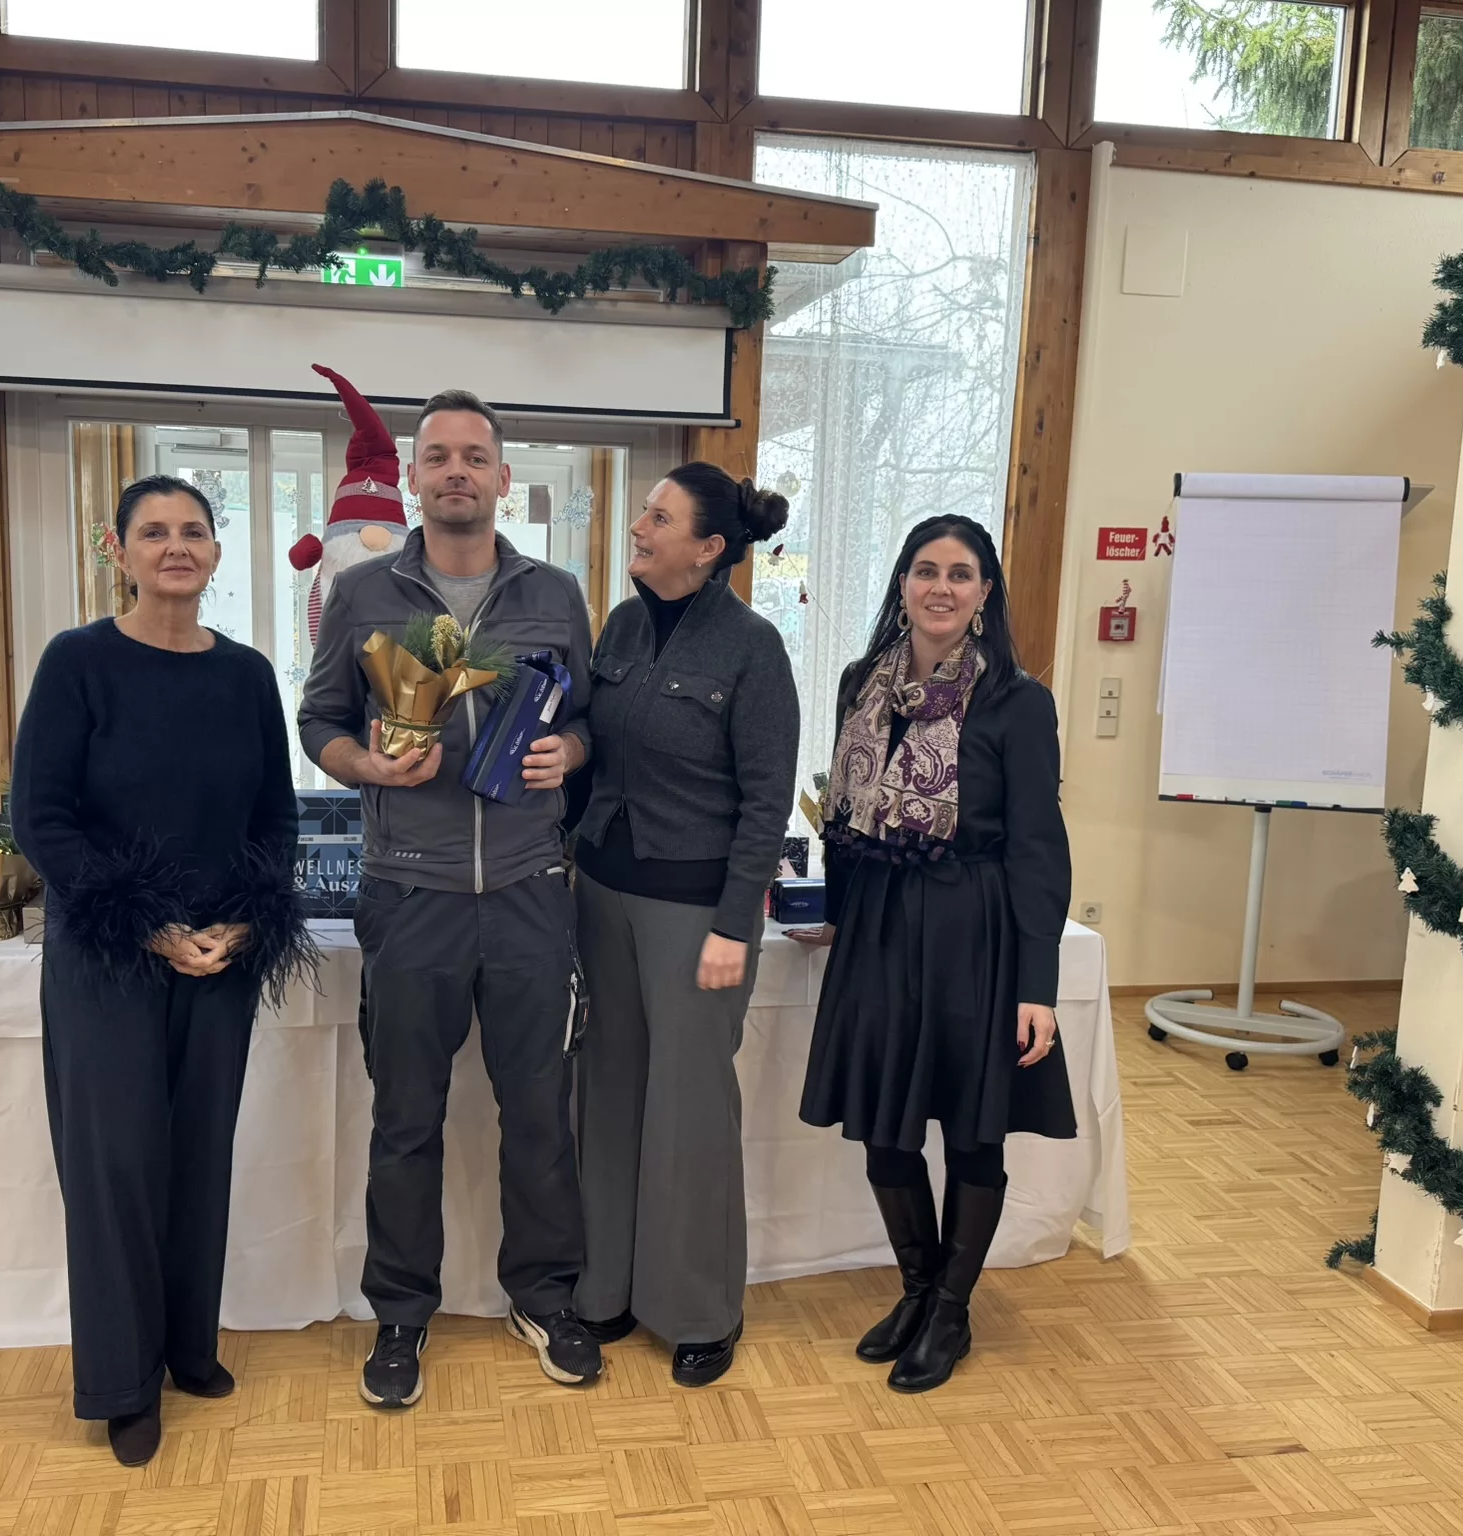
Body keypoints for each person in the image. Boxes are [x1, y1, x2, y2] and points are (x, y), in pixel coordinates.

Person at [297, 388, 601, 1410]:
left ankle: (544, 1297)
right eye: (439, 457)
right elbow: (319, 721)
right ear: (413, 478)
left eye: (475, 456)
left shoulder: (555, 592)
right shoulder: (363, 593)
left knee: (540, 1117)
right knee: (405, 1120)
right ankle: (399, 1313)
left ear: (503, 478)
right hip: (409, 894)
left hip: (528, 893)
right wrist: (366, 767)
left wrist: (570, 753)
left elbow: (588, 722)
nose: (457, 471)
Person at [10, 474, 314, 1465]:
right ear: (120, 550)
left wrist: (242, 922)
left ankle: (188, 1347)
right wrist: (147, 925)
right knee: (117, 1169)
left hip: (219, 957)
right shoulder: (78, 663)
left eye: (193, 531)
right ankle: (121, 1382)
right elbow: (40, 817)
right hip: (109, 958)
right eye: (153, 532)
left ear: (216, 553)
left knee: (197, 1156)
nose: (175, 546)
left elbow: (275, 817)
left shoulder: (247, 675)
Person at [790, 514, 1073, 1395]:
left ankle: (952, 1308)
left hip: (974, 930)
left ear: (984, 593)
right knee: (884, 1124)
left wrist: (1037, 984)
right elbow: (846, 816)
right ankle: (917, 1290)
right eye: (925, 570)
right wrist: (837, 914)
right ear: (903, 584)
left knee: (973, 1130)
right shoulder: (860, 682)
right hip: (878, 924)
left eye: (959, 573)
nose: (940, 587)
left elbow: (1039, 848)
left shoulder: (1018, 701)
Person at [568, 464, 799, 1387]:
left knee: (690, 1111)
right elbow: (594, 753)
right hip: (601, 894)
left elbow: (767, 802)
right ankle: (607, 1288)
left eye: (658, 517)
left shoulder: (754, 648)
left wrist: (736, 925)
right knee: (609, 1093)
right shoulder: (622, 626)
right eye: (644, 512)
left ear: (707, 548)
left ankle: (700, 1309)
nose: (640, 526)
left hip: (696, 912)